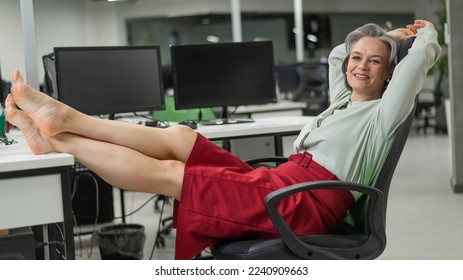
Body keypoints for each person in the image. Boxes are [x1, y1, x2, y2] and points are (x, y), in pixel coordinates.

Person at [5, 19, 440, 260]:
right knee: (180, 136)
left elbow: (419, 61)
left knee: (175, 175)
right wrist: (379, 39)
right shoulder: (344, 101)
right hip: (285, 182)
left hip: (305, 202)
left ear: (390, 72)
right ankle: (67, 118)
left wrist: (416, 38)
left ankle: (61, 140)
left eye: (376, 62)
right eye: (358, 58)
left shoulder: (383, 113)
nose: (360, 66)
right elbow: (336, 55)